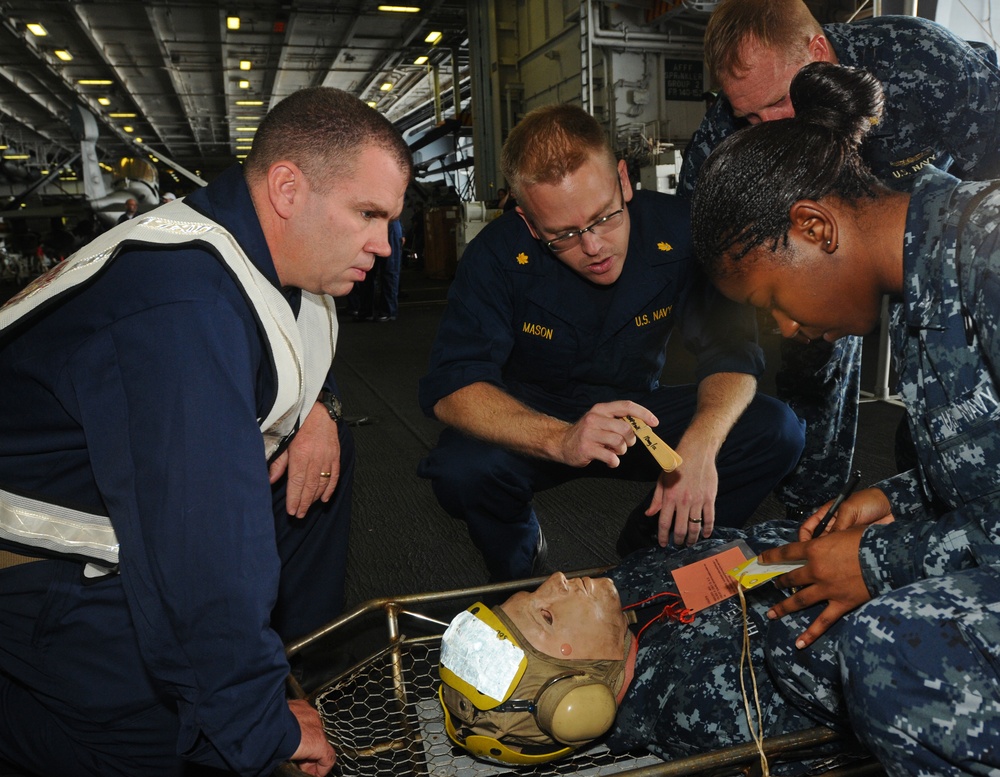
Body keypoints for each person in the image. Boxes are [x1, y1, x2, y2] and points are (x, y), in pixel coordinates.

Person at [0, 87, 411, 777]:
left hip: (105, 525)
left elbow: (285, 350)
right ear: (287, 188)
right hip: (39, 571)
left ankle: (286, 670)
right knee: (171, 746)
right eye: (368, 213)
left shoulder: (256, 259)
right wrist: (256, 723)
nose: (385, 243)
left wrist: (321, 410)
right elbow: (199, 545)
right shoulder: (180, 306)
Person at [688, 61, 1000, 776]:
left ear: (814, 226)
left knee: (891, 654)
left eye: (772, 299)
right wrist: (898, 496)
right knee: (791, 596)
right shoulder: (926, 286)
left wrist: (879, 562)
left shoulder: (988, 253)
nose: (787, 326)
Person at [417, 103, 804, 582]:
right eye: (564, 234)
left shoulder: (680, 229)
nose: (594, 247)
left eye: (604, 218)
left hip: (636, 412)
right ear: (530, 223)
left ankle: (650, 555)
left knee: (775, 429)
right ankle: (519, 565)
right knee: (461, 468)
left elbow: (732, 351)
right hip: (537, 416)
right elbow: (454, 387)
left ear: (623, 180)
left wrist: (701, 448)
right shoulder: (495, 256)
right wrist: (560, 438)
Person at [677, 0, 1000, 520]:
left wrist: (970, 266)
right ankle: (818, 507)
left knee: (946, 409)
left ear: (819, 53)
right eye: (750, 117)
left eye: (780, 101)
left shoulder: (918, 61)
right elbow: (703, 246)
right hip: (819, 261)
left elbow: (993, 157)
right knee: (810, 362)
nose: (768, 126)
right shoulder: (727, 126)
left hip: (938, 246)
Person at [438, 543, 856, 772]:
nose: (555, 579)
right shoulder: (712, 710)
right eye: (546, 615)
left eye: (534, 593)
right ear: (580, 700)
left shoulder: (621, 597)